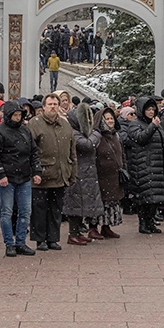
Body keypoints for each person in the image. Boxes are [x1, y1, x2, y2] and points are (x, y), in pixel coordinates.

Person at [0, 100, 40, 257]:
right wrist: (1, 174)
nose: (17, 118)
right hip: (7, 178)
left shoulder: (25, 131)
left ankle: (21, 242)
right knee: (7, 211)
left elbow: (33, 152)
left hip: (23, 177)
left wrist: (36, 171)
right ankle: (9, 243)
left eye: (19, 115)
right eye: (15, 115)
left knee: (25, 211)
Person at [28, 93, 76, 251]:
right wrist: (35, 171)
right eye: (50, 104)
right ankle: (40, 239)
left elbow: (72, 150)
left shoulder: (65, 124)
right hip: (42, 175)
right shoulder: (35, 124)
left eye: (55, 104)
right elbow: (30, 150)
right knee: (40, 209)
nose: (53, 107)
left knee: (56, 209)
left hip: (60, 173)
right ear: (43, 107)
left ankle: (53, 238)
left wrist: (72, 171)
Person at [124, 97, 164, 235]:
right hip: (143, 165)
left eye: (153, 109)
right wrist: (152, 126)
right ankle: (143, 223)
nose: (151, 112)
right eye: (148, 109)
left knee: (155, 198)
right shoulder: (135, 124)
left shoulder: (157, 123)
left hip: (157, 164)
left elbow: (163, 140)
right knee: (144, 198)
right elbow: (140, 138)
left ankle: (150, 222)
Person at [64, 105, 103, 245]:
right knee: (75, 203)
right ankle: (73, 233)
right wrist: (97, 133)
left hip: (86, 172)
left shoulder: (81, 132)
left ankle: (77, 232)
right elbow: (87, 145)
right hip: (78, 172)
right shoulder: (73, 133)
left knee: (82, 203)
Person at [94, 106, 125, 239]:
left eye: (111, 118)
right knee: (99, 203)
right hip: (101, 175)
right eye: (107, 118)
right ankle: (93, 227)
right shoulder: (97, 136)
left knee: (111, 202)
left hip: (114, 175)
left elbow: (121, 154)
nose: (110, 121)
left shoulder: (115, 135)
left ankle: (106, 227)